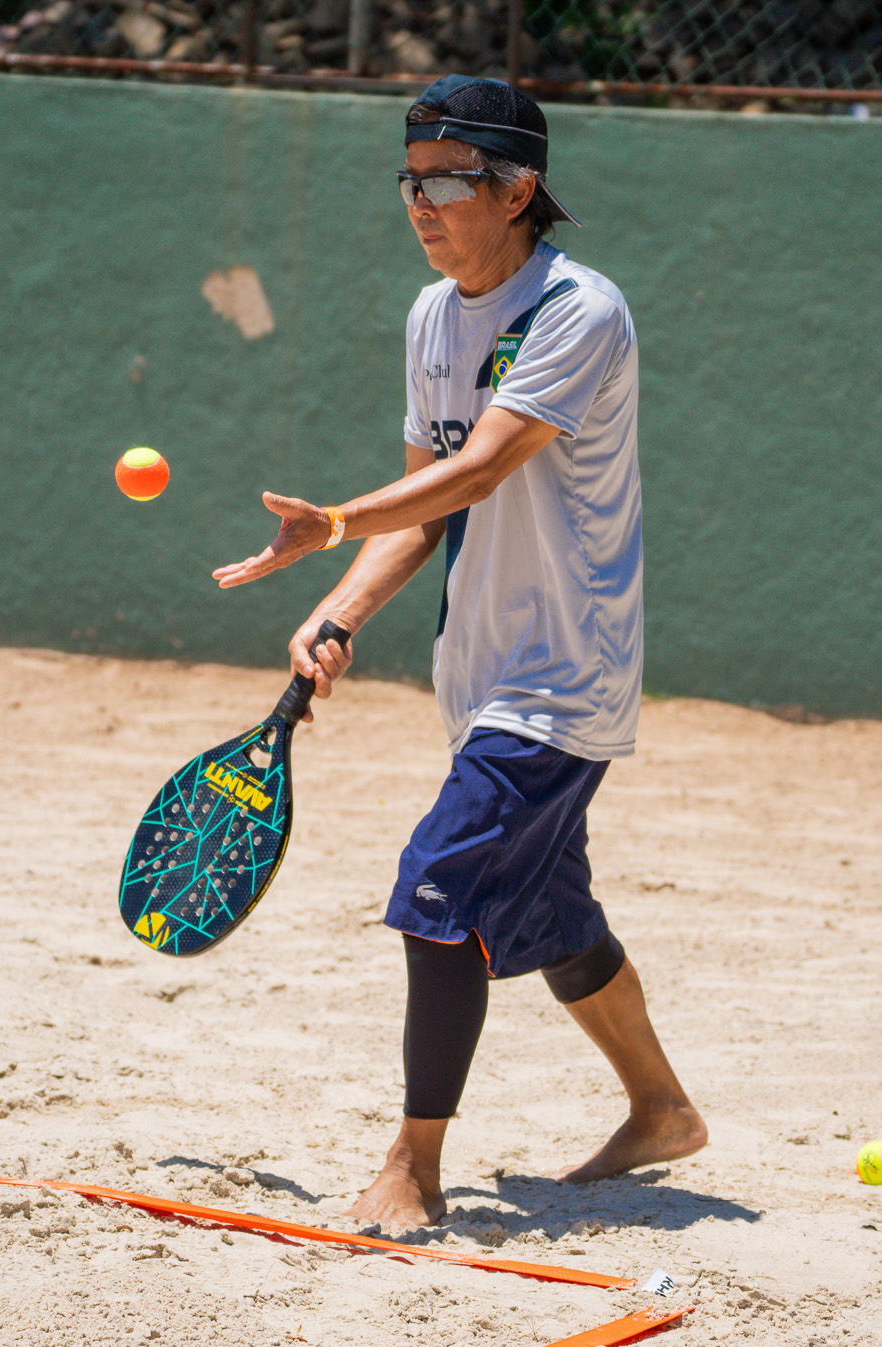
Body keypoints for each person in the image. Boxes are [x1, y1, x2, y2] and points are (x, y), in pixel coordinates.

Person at [211, 74, 706, 1233]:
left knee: (435, 890)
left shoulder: (577, 309)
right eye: (409, 179)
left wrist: (336, 521)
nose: (419, 202)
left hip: (564, 673)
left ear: (516, 189)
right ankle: (661, 1111)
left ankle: (412, 1166)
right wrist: (340, 609)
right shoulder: (434, 316)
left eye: (446, 181)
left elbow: (480, 467)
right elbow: (429, 508)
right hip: (478, 675)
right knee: (549, 916)